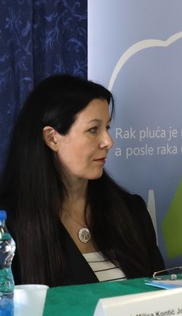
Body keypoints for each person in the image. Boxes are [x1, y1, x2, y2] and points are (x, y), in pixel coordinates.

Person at [0, 75, 164, 286]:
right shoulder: (8, 223)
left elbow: (162, 293)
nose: (108, 141)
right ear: (52, 138)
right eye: (93, 130)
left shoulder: (131, 212)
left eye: (107, 128)